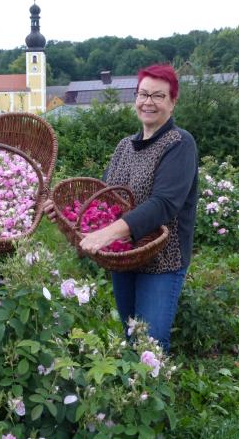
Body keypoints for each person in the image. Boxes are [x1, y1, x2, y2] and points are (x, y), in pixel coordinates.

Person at [43, 64, 198, 353]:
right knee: (131, 337)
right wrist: (65, 213)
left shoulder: (179, 144)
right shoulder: (125, 146)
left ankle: (151, 393)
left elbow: (164, 204)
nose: (148, 102)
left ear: (173, 101)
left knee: (149, 344)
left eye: (158, 96)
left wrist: (108, 234)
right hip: (124, 258)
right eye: (143, 94)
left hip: (162, 260)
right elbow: (103, 200)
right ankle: (131, 395)